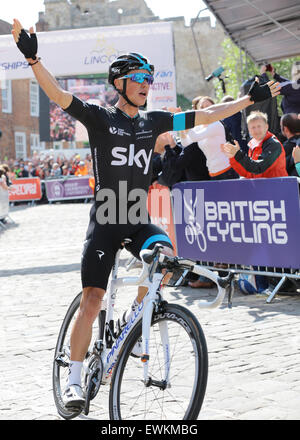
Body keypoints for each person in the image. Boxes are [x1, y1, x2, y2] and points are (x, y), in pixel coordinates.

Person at [12, 18, 280, 409]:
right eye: (139, 77)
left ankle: (137, 321)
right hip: (106, 218)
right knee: (92, 299)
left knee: (167, 260)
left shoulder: (153, 121)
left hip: (137, 218)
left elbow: (206, 116)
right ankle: (72, 379)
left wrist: (248, 101)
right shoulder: (102, 119)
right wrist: (34, 58)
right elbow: (58, 95)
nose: (146, 84)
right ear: (119, 82)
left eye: (149, 78)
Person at [180, 96, 238, 180]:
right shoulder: (199, 127)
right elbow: (185, 142)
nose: (204, 109)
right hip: (212, 172)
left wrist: (186, 121)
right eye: (201, 107)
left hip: (227, 170)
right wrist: (182, 126)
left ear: (214, 108)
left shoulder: (216, 124)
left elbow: (195, 137)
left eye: (207, 106)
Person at [222, 111, 288, 178]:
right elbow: (249, 173)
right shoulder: (252, 144)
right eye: (253, 127)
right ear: (249, 130)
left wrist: (238, 154)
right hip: (261, 185)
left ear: (266, 127)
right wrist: (233, 157)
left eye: (259, 126)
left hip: (277, 186)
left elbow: (259, 168)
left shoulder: (274, 144)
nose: (256, 130)